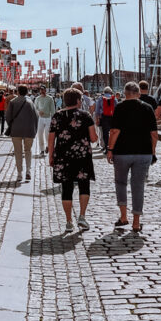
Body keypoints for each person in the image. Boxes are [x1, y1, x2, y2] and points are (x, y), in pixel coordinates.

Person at [107, 81, 159, 233]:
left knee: (120, 183)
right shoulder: (147, 108)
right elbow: (154, 134)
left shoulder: (119, 108)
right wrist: (153, 151)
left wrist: (110, 149)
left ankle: (123, 216)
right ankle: (136, 222)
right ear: (138, 93)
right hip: (143, 153)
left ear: (124, 93)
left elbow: (115, 131)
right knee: (138, 186)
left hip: (122, 152)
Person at [48, 88, 98, 233]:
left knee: (67, 188)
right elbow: (94, 138)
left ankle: (69, 221)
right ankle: (82, 216)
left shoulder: (57, 116)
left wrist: (51, 156)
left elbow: (51, 139)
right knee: (84, 186)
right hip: (82, 157)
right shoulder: (85, 115)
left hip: (63, 157)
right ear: (78, 100)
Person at [6, 85, 38, 181]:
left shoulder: (13, 102)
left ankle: (19, 173)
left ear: (18, 92)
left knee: (18, 152)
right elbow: (36, 117)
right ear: (27, 92)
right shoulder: (30, 103)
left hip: (16, 130)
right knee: (28, 150)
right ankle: (28, 171)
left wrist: (12, 125)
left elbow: (8, 117)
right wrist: (34, 129)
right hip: (29, 130)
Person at [33, 85, 56, 157]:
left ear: (45, 90)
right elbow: (35, 107)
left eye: (43, 90)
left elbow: (52, 109)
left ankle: (48, 146)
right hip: (40, 118)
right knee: (39, 134)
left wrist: (53, 118)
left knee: (47, 134)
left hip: (48, 118)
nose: (42, 91)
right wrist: (38, 112)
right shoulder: (37, 98)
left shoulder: (50, 98)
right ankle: (42, 149)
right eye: (40, 90)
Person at [95, 87, 116, 152]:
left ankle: (107, 148)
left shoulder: (101, 98)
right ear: (110, 92)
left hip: (104, 117)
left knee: (105, 133)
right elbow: (117, 108)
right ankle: (113, 147)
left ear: (104, 92)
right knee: (113, 132)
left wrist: (97, 119)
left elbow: (97, 110)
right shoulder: (114, 98)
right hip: (113, 117)